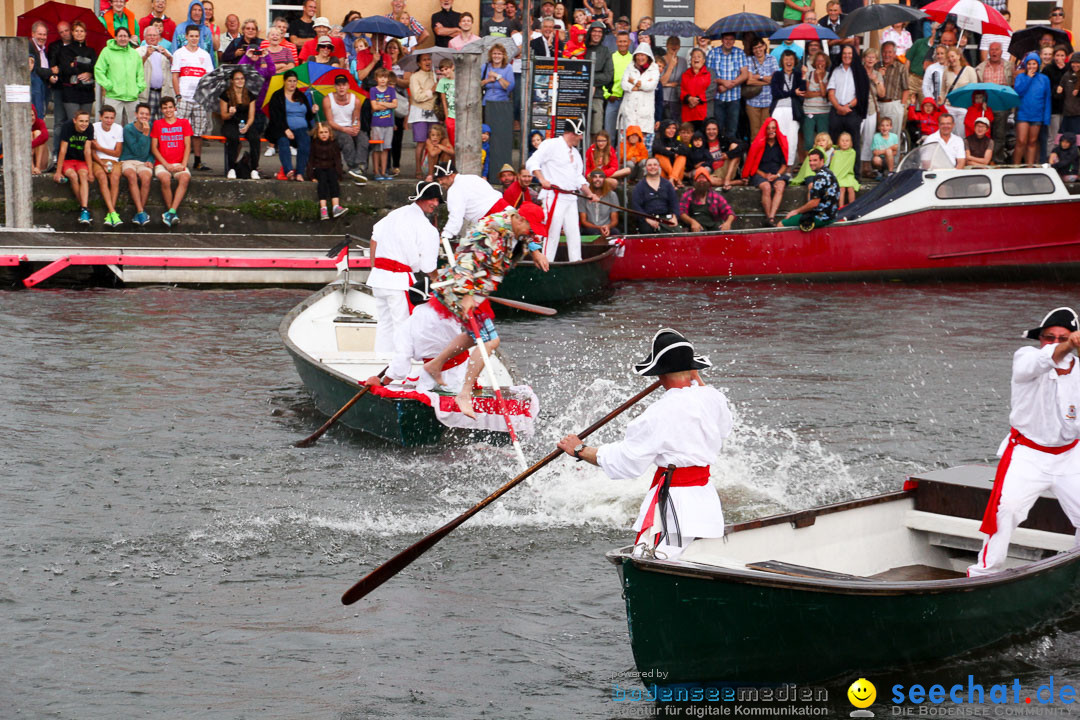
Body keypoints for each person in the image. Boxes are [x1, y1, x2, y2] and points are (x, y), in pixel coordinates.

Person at [557, 329, 731, 559]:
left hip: (676, 502)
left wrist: (580, 449)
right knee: (700, 556)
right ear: (692, 369)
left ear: (659, 374)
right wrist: (694, 376)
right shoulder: (713, 398)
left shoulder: (658, 413)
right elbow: (723, 426)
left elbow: (627, 461)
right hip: (706, 499)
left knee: (662, 558)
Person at [968, 308, 1080, 577]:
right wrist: (1068, 345)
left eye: (1062, 337)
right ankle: (983, 574)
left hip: (1070, 454)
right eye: (1048, 337)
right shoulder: (1026, 357)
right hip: (1028, 453)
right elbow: (1043, 361)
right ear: (1039, 339)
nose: (1054, 343)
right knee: (1006, 510)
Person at [422, 202, 550, 417]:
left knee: (474, 336)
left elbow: (527, 235)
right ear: (518, 219)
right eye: (530, 228)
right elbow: (466, 259)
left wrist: (536, 251)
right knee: (490, 340)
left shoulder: (515, 224)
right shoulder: (492, 230)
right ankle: (464, 394)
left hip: (473, 290)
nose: (531, 233)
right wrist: (468, 295)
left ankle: (435, 365)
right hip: (461, 289)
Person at [367, 181, 443, 383]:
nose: (435, 203)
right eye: (432, 199)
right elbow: (428, 267)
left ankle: (381, 360)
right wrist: (440, 281)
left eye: (437, 200)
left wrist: (374, 265)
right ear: (421, 199)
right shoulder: (427, 229)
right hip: (397, 280)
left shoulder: (395, 214)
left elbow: (374, 236)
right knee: (403, 327)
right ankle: (400, 373)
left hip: (378, 279)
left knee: (385, 322)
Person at [525, 117, 599, 262]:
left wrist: (590, 194)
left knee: (574, 234)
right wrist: (541, 179)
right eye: (579, 134)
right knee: (552, 234)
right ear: (572, 133)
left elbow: (578, 178)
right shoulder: (551, 144)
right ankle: (545, 264)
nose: (581, 138)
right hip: (554, 196)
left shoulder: (576, 155)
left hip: (570, 198)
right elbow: (532, 162)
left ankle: (576, 263)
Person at [435, 159, 510, 243]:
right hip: (508, 212)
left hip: (493, 221)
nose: (440, 183)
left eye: (441, 179)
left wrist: (446, 235)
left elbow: (455, 217)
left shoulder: (454, 190)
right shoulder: (472, 177)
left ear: (451, 175)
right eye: (438, 180)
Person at [172, 25, 214, 172]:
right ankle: (177, 160)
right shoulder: (179, 53)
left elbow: (209, 79)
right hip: (183, 97)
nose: (194, 39)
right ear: (186, 36)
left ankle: (197, 161)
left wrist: (205, 97)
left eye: (197, 36)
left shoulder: (205, 55)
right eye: (192, 36)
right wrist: (178, 96)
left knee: (198, 132)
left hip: (199, 100)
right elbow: (175, 76)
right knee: (179, 130)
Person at [265, 70, 314, 181]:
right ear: (285, 82)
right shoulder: (277, 96)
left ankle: (300, 172)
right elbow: (275, 116)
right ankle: (289, 171)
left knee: (305, 142)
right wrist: (286, 129)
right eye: (290, 81)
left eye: (294, 81)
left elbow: (309, 116)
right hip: (282, 128)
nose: (292, 84)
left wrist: (313, 111)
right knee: (283, 142)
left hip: (302, 127)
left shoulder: (301, 96)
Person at [151, 96, 192, 226]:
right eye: (165, 108)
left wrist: (184, 164)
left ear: (175, 108)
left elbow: (187, 145)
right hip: (163, 164)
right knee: (165, 179)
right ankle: (171, 212)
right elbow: (154, 148)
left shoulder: (184, 123)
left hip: (180, 163)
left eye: (170, 107)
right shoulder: (157, 124)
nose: (168, 110)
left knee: (185, 178)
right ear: (161, 110)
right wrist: (166, 165)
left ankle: (171, 211)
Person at [743, 119, 790, 227]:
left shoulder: (781, 144)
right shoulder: (759, 143)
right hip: (760, 174)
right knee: (766, 187)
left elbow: (784, 165)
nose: (771, 130)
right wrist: (764, 175)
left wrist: (777, 175)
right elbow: (753, 165)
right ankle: (769, 218)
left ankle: (771, 217)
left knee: (780, 186)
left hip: (777, 173)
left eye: (773, 128)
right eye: (768, 128)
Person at [827, 45, 868, 165]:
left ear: (854, 55)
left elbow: (861, 94)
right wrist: (839, 107)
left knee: (854, 143)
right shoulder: (836, 70)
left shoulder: (859, 71)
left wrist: (847, 107)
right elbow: (830, 92)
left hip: (853, 112)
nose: (847, 56)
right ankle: (833, 171)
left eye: (849, 53)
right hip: (836, 111)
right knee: (834, 143)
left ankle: (855, 175)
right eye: (844, 53)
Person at [53, 109, 95, 226]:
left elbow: (87, 151)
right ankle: (84, 208)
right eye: (81, 121)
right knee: (73, 176)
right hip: (68, 160)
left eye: (86, 121)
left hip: (81, 160)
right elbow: (62, 150)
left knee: (83, 175)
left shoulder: (90, 128)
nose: (84, 124)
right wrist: (58, 172)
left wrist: (91, 172)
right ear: (74, 120)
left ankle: (84, 209)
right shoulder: (67, 127)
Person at [781, 148, 840, 230]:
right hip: (832, 215)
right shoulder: (829, 172)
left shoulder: (819, 177)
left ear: (822, 160)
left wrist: (796, 211)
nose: (811, 163)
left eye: (815, 160)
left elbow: (814, 203)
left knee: (781, 224)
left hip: (821, 217)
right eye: (810, 160)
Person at [706, 33, 749, 140]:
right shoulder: (712, 53)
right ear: (722, 40)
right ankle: (718, 154)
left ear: (734, 40)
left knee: (732, 130)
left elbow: (744, 75)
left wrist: (727, 86)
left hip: (734, 98)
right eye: (726, 39)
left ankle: (730, 154)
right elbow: (708, 75)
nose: (728, 41)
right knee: (717, 129)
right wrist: (722, 81)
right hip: (717, 98)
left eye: (731, 39)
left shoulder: (739, 53)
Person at [323, 74, 366, 182]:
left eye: (344, 85)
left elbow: (356, 119)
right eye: (338, 85)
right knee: (346, 139)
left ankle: (360, 166)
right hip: (335, 128)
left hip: (349, 127)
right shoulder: (328, 99)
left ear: (348, 86)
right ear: (335, 87)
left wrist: (356, 128)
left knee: (363, 138)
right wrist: (344, 129)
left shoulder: (355, 100)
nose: (341, 88)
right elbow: (330, 122)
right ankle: (353, 167)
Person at [219, 68, 258, 180]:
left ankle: (254, 168)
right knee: (233, 137)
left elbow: (251, 116)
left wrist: (247, 126)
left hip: (245, 123)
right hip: (231, 122)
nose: (240, 81)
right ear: (232, 81)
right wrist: (230, 113)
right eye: (237, 79)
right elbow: (223, 116)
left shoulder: (250, 95)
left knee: (255, 138)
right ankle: (231, 168)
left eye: (242, 78)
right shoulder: (225, 95)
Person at [120, 102, 155, 225]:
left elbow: (153, 149)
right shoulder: (128, 129)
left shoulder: (152, 127)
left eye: (146, 114)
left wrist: (151, 160)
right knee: (131, 176)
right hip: (128, 159)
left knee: (146, 178)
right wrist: (145, 134)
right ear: (136, 114)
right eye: (141, 114)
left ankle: (139, 212)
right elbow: (137, 151)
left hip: (144, 161)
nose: (144, 116)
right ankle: (140, 211)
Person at [90, 106, 125, 227]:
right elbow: (92, 152)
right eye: (106, 117)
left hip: (114, 161)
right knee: (102, 178)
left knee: (115, 178)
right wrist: (101, 163)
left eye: (111, 118)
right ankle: (113, 212)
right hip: (98, 160)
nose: (109, 120)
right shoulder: (94, 127)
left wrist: (100, 148)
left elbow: (117, 153)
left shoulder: (118, 128)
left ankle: (111, 213)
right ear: (101, 117)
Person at [305, 122, 347, 221]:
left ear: (330, 133)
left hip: (331, 167)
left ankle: (335, 207)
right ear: (317, 134)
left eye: (325, 132)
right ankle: (323, 208)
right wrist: (310, 176)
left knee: (333, 181)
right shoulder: (314, 144)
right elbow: (310, 160)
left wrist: (339, 174)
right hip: (318, 168)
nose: (324, 134)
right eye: (321, 132)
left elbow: (337, 159)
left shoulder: (334, 144)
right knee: (322, 182)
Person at [771, 49, 805, 166]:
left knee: (792, 139)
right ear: (782, 61)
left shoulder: (798, 75)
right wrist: (792, 92)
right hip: (778, 109)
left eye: (791, 59)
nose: (789, 61)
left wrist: (804, 76)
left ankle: (788, 166)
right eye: (786, 59)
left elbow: (802, 92)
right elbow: (776, 93)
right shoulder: (777, 75)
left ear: (795, 61)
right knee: (779, 137)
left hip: (793, 111)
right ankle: (777, 165)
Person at [58, 22, 97, 124]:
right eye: (76, 31)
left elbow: (96, 68)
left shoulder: (91, 51)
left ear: (85, 33)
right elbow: (65, 70)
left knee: (85, 123)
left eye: (82, 31)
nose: (79, 33)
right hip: (71, 92)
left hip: (87, 92)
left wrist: (89, 73)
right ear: (72, 33)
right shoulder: (65, 50)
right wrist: (86, 67)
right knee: (73, 123)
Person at [630, 157, 680, 233]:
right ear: (646, 168)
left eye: (655, 165)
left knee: (678, 233)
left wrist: (674, 217)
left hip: (665, 218)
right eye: (649, 165)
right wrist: (647, 219)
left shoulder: (667, 184)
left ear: (659, 167)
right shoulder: (640, 186)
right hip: (648, 219)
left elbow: (674, 203)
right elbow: (636, 206)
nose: (652, 167)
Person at [678, 167, 735, 232]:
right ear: (695, 181)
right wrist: (692, 222)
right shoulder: (687, 195)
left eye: (704, 178)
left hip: (713, 227)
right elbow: (681, 212)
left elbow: (730, 212)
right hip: (695, 229)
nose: (701, 180)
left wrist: (727, 223)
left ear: (708, 181)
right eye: (699, 178)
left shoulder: (716, 196)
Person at [744, 38, 778, 141]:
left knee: (767, 131)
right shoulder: (749, 60)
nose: (758, 50)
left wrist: (759, 76)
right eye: (755, 48)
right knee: (755, 132)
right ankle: (755, 156)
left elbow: (775, 79)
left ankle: (765, 156)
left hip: (768, 101)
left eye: (759, 47)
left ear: (764, 46)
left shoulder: (772, 59)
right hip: (753, 102)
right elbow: (749, 81)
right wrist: (766, 80)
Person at [138, 25, 172, 123]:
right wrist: (146, 56)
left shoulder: (165, 51)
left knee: (164, 121)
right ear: (144, 37)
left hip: (163, 92)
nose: (152, 37)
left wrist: (168, 56)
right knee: (146, 121)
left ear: (158, 37)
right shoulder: (139, 51)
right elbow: (135, 68)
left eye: (154, 35)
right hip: (147, 92)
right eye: (149, 35)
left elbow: (175, 66)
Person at [368, 68, 398, 181]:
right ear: (376, 78)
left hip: (388, 123)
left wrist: (381, 103)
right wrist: (388, 104)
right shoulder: (373, 90)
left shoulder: (391, 90)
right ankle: (376, 171)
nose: (383, 79)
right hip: (377, 123)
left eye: (385, 77)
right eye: (380, 77)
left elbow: (395, 105)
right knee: (377, 148)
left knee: (386, 148)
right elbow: (374, 107)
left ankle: (384, 171)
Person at [604, 31, 634, 137]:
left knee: (625, 134)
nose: (622, 44)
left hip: (628, 99)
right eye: (620, 41)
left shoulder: (633, 59)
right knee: (609, 133)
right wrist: (607, 95)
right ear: (616, 42)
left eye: (625, 41)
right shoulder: (610, 57)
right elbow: (605, 78)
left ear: (629, 42)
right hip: (613, 100)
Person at [577, 168, 619, 238]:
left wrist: (607, 226)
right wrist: (599, 227)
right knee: (594, 232)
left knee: (616, 232)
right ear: (591, 179)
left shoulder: (612, 195)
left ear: (604, 180)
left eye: (601, 177)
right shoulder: (583, 195)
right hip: (590, 228)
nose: (598, 179)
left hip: (607, 227)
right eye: (595, 177)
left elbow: (615, 220)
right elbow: (583, 221)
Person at [173, 1, 216, 67]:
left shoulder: (206, 31)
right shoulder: (180, 28)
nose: (197, 13)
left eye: (200, 10)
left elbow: (210, 53)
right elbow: (175, 49)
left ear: (202, 13)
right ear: (190, 11)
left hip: (202, 69)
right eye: (194, 10)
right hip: (184, 68)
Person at [830, 131, 859, 207]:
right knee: (841, 188)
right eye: (842, 141)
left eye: (847, 141)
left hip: (848, 175)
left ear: (851, 143)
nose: (845, 143)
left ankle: (852, 207)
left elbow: (848, 165)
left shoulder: (852, 152)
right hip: (838, 175)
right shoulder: (835, 152)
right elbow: (833, 165)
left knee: (851, 188)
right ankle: (841, 207)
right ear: (839, 143)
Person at [1059, 53, 1080, 135]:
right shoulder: (1067, 75)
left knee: (1078, 140)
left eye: (1078, 62)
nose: (1075, 65)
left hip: (1078, 114)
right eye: (1073, 62)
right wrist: (1058, 90)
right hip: (1067, 113)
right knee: (1066, 138)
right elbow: (1060, 92)